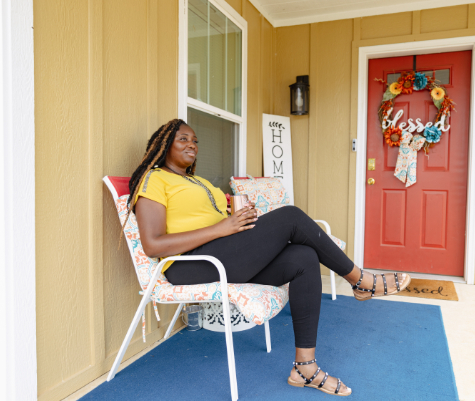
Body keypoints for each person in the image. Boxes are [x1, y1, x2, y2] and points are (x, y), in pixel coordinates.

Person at [128, 118, 411, 397]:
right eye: (184, 139)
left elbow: (212, 223)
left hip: (223, 254)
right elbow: (153, 245)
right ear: (164, 146)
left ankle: (305, 369)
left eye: (195, 141)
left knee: (303, 257)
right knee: (290, 216)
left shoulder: (198, 181)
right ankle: (361, 280)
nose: (192, 145)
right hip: (191, 265)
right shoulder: (154, 179)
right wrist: (223, 227)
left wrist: (238, 219)